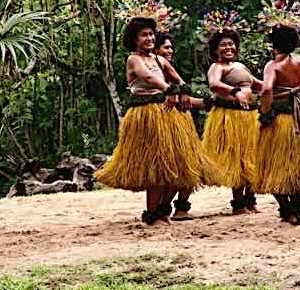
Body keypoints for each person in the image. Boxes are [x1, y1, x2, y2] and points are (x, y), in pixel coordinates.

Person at [94, 17, 220, 226]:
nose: (150, 38)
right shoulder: (134, 60)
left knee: (175, 165)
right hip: (146, 116)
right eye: (144, 34)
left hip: (166, 114)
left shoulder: (160, 60)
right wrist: (169, 89)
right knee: (156, 165)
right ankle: (152, 214)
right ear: (134, 39)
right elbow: (149, 78)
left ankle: (162, 210)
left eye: (151, 34)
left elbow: (177, 78)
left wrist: (183, 90)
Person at [253, 25, 300, 225]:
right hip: (297, 122)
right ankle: (298, 205)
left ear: (273, 45)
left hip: (278, 123)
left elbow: (266, 90)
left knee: (272, 167)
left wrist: (265, 113)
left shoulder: (273, 65)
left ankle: (287, 209)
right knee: (293, 165)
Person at [200, 29, 262, 214]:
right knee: (237, 159)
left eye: (231, 44)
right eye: (223, 45)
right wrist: (235, 91)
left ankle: (250, 200)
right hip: (230, 117)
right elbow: (214, 84)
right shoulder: (217, 67)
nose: (228, 47)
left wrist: (276, 86)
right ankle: (238, 203)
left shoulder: (241, 66)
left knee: (250, 157)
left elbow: (256, 84)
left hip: (249, 117)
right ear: (216, 49)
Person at [153, 32, 205, 220]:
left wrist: (210, 102)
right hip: (166, 120)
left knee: (191, 167)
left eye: (171, 47)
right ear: (156, 49)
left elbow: (184, 98)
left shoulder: (167, 69)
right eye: (166, 47)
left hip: (181, 122)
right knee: (177, 167)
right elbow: (169, 98)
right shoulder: (155, 67)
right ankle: (162, 208)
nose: (170, 51)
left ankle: (177, 207)